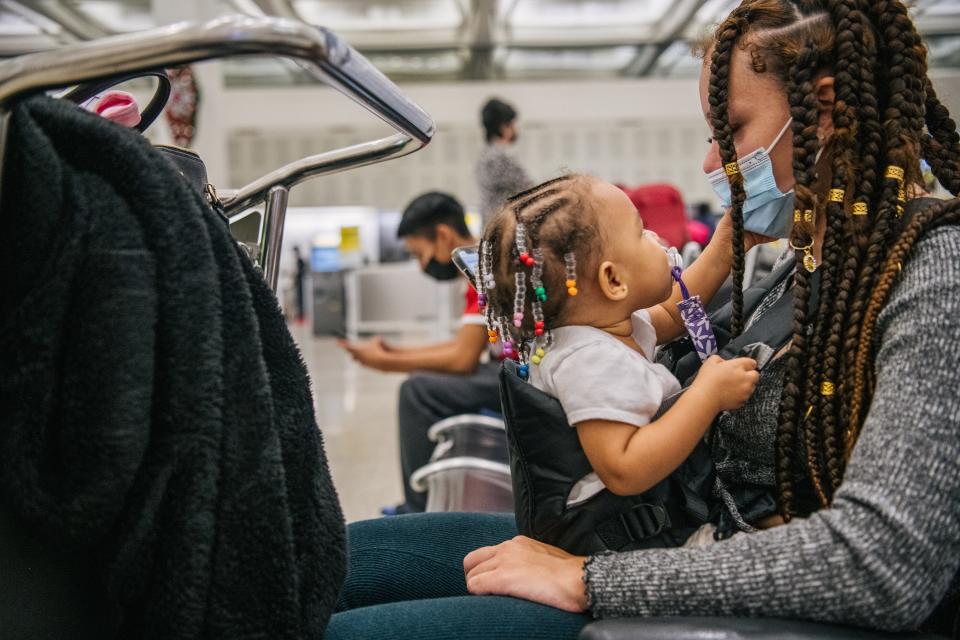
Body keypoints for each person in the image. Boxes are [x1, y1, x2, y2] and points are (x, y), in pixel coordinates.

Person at [326, 2, 960, 638]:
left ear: (821, 112)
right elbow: (671, 318)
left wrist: (587, 580)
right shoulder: (807, 262)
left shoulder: (933, 271)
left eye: (732, 131)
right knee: (332, 562)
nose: (712, 164)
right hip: (656, 535)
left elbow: (883, 561)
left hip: (695, 575)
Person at [481, 174, 757, 542]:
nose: (656, 239)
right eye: (642, 232)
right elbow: (624, 468)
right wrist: (707, 396)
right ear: (614, 281)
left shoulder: (600, 332)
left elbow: (674, 315)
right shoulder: (589, 363)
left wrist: (729, 242)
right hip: (615, 540)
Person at [338, 192, 499, 515]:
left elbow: (462, 359)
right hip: (505, 370)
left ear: (442, 235)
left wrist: (388, 363)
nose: (421, 264)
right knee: (422, 381)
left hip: (515, 377)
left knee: (417, 391)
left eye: (419, 253)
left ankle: (416, 508)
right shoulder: (480, 262)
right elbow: (462, 346)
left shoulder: (480, 266)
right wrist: (397, 352)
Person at [476, 98, 534, 224]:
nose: (515, 128)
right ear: (504, 127)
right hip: (504, 229)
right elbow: (531, 191)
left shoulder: (485, 155)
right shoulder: (499, 158)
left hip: (493, 226)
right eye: (512, 124)